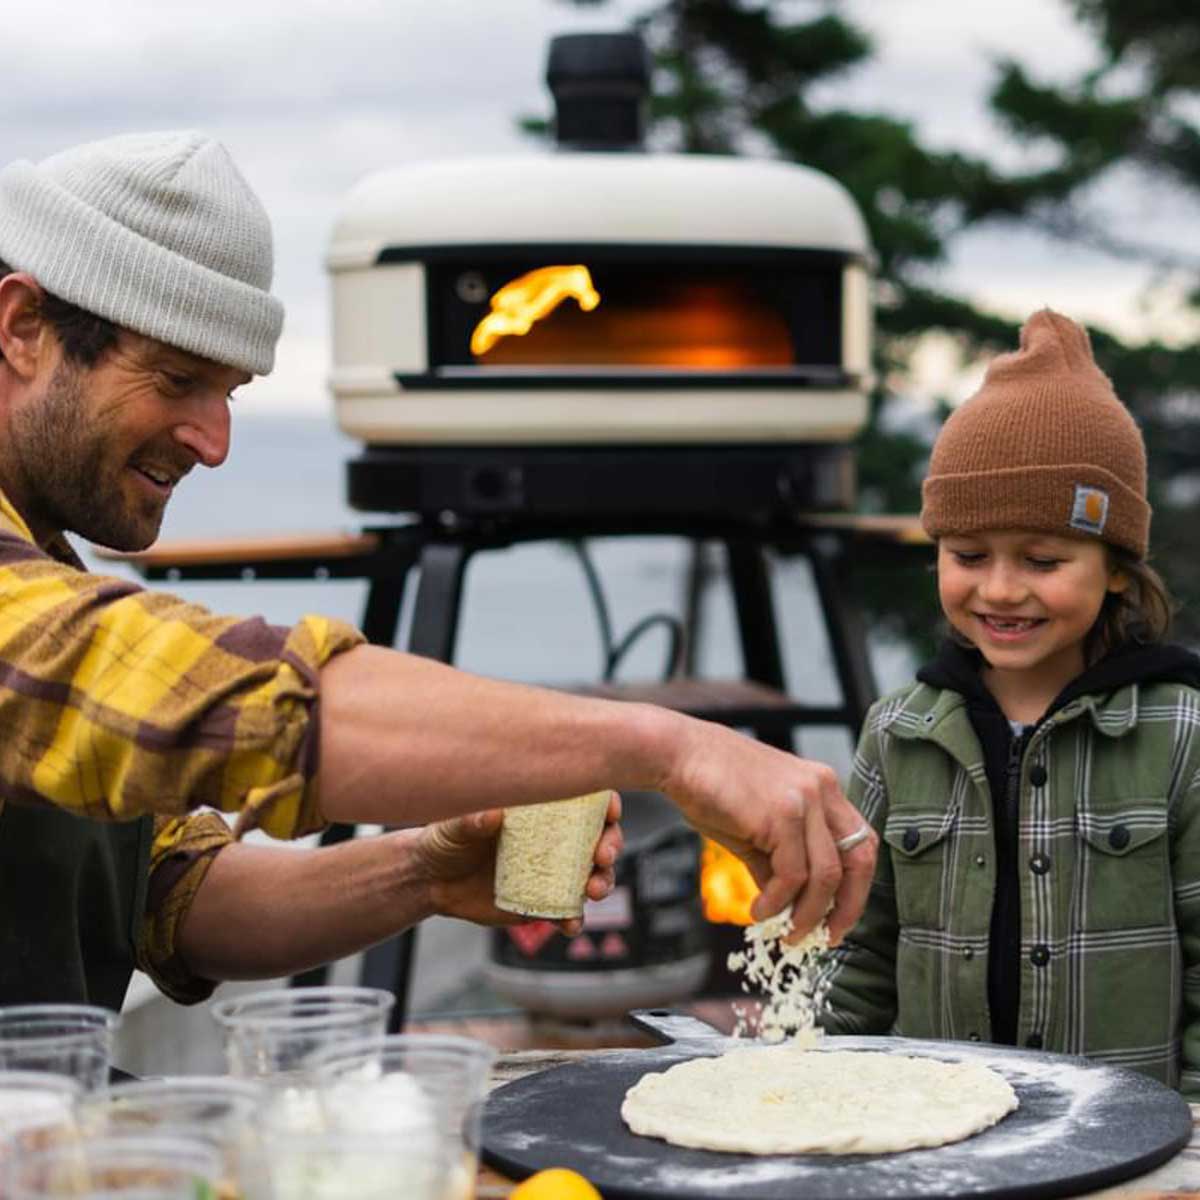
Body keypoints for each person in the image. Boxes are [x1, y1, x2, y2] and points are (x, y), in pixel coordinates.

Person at [0, 130, 877, 1012]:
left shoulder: (45, 564)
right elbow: (227, 698)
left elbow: (178, 903)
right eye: (177, 378)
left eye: (228, 392)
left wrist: (421, 873)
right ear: (23, 329)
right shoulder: (47, 620)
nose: (215, 444)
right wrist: (675, 747)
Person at [818, 308, 1200, 1095]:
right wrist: (799, 1080)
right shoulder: (897, 734)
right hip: (936, 1139)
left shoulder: (1183, 733)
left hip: (1133, 1150)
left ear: (1119, 567)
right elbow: (856, 956)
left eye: (1043, 559)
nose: (999, 589)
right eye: (967, 555)